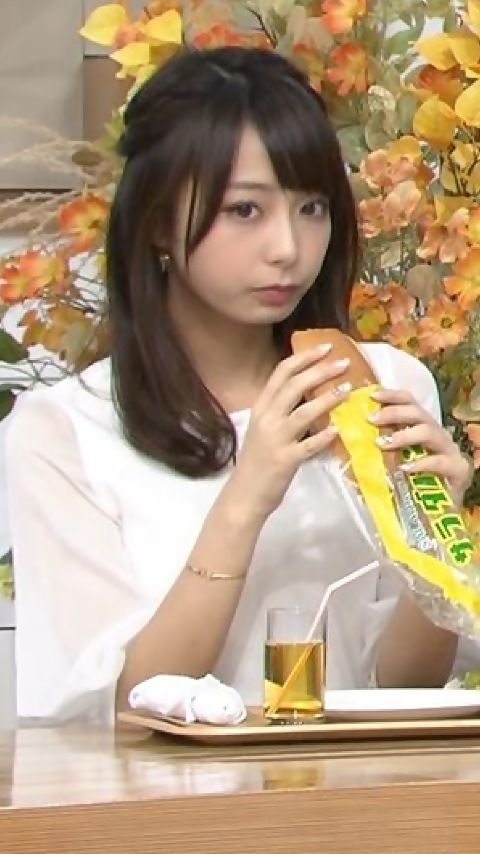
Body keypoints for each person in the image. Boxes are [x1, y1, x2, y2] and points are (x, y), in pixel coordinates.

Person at [5, 46, 475, 725]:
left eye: (312, 208)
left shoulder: (382, 386)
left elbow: (402, 686)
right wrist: (246, 500)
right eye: (246, 211)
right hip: (163, 794)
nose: (288, 247)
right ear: (159, 221)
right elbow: (121, 709)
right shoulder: (64, 432)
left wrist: (433, 534)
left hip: (354, 786)